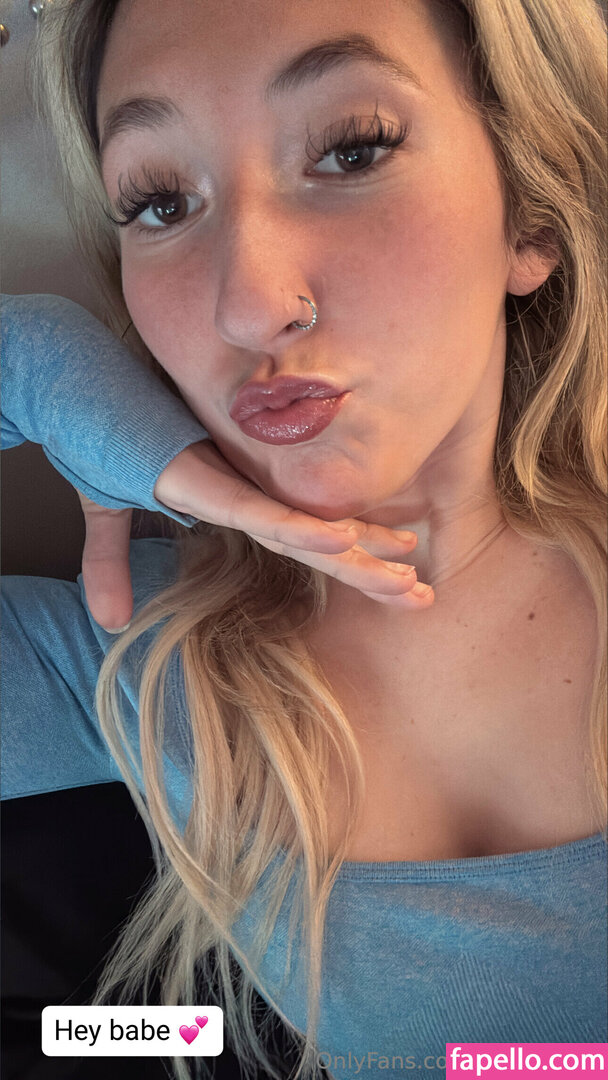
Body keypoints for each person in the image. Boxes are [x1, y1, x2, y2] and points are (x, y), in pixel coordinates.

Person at [2, 1, 606, 1079]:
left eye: (352, 149)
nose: (247, 306)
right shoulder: (135, 660)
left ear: (530, 216)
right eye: (158, 203)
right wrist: (36, 369)